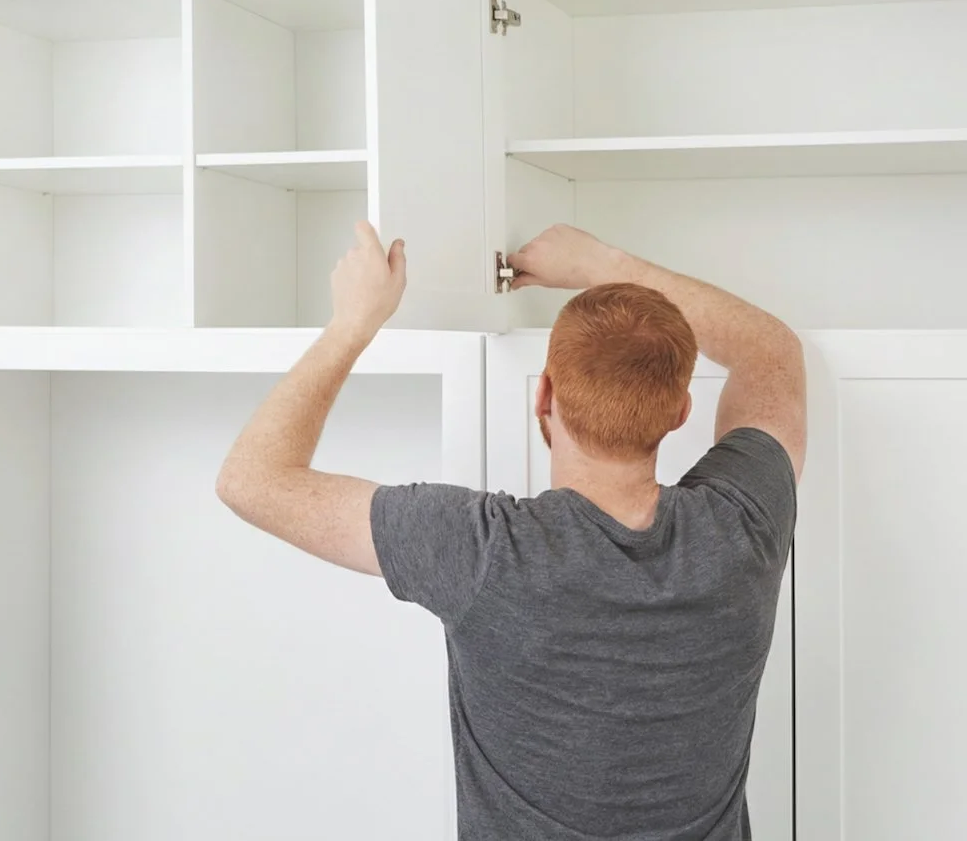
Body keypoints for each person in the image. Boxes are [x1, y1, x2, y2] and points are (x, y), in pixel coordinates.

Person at [215, 221, 805, 841]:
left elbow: (249, 480)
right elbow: (770, 350)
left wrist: (353, 323)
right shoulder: (745, 525)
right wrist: (605, 264)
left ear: (543, 395)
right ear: (682, 412)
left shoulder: (483, 553)